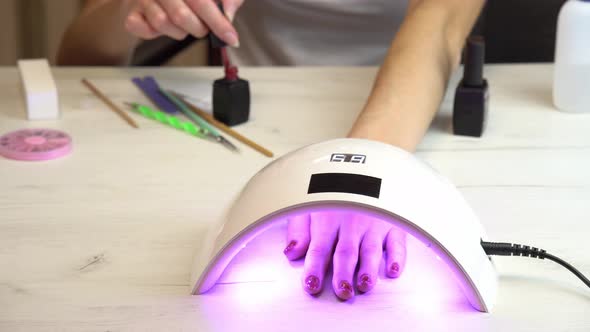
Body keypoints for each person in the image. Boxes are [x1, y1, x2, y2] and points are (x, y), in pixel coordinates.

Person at [57, 0, 485, 300]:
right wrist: (133, 8)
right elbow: (77, 57)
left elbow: (441, 24)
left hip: (403, 118)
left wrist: (363, 168)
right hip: (252, 128)